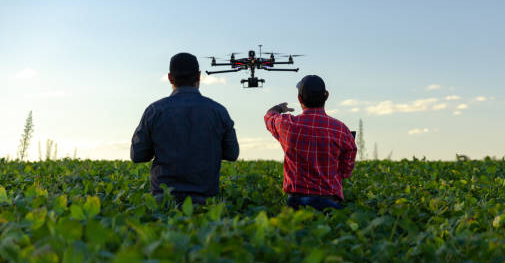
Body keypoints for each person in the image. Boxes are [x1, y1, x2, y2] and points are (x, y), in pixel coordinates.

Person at [130, 52, 239, 205]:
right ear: (199, 76)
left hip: (164, 202)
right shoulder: (218, 111)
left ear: (169, 77)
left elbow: (138, 155)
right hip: (205, 204)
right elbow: (232, 153)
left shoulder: (155, 111)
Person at [264, 75, 357, 211]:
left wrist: (279, 108)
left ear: (299, 99)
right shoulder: (342, 130)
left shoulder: (287, 124)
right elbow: (345, 172)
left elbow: (269, 116)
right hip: (330, 204)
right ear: (326, 96)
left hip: (296, 203)